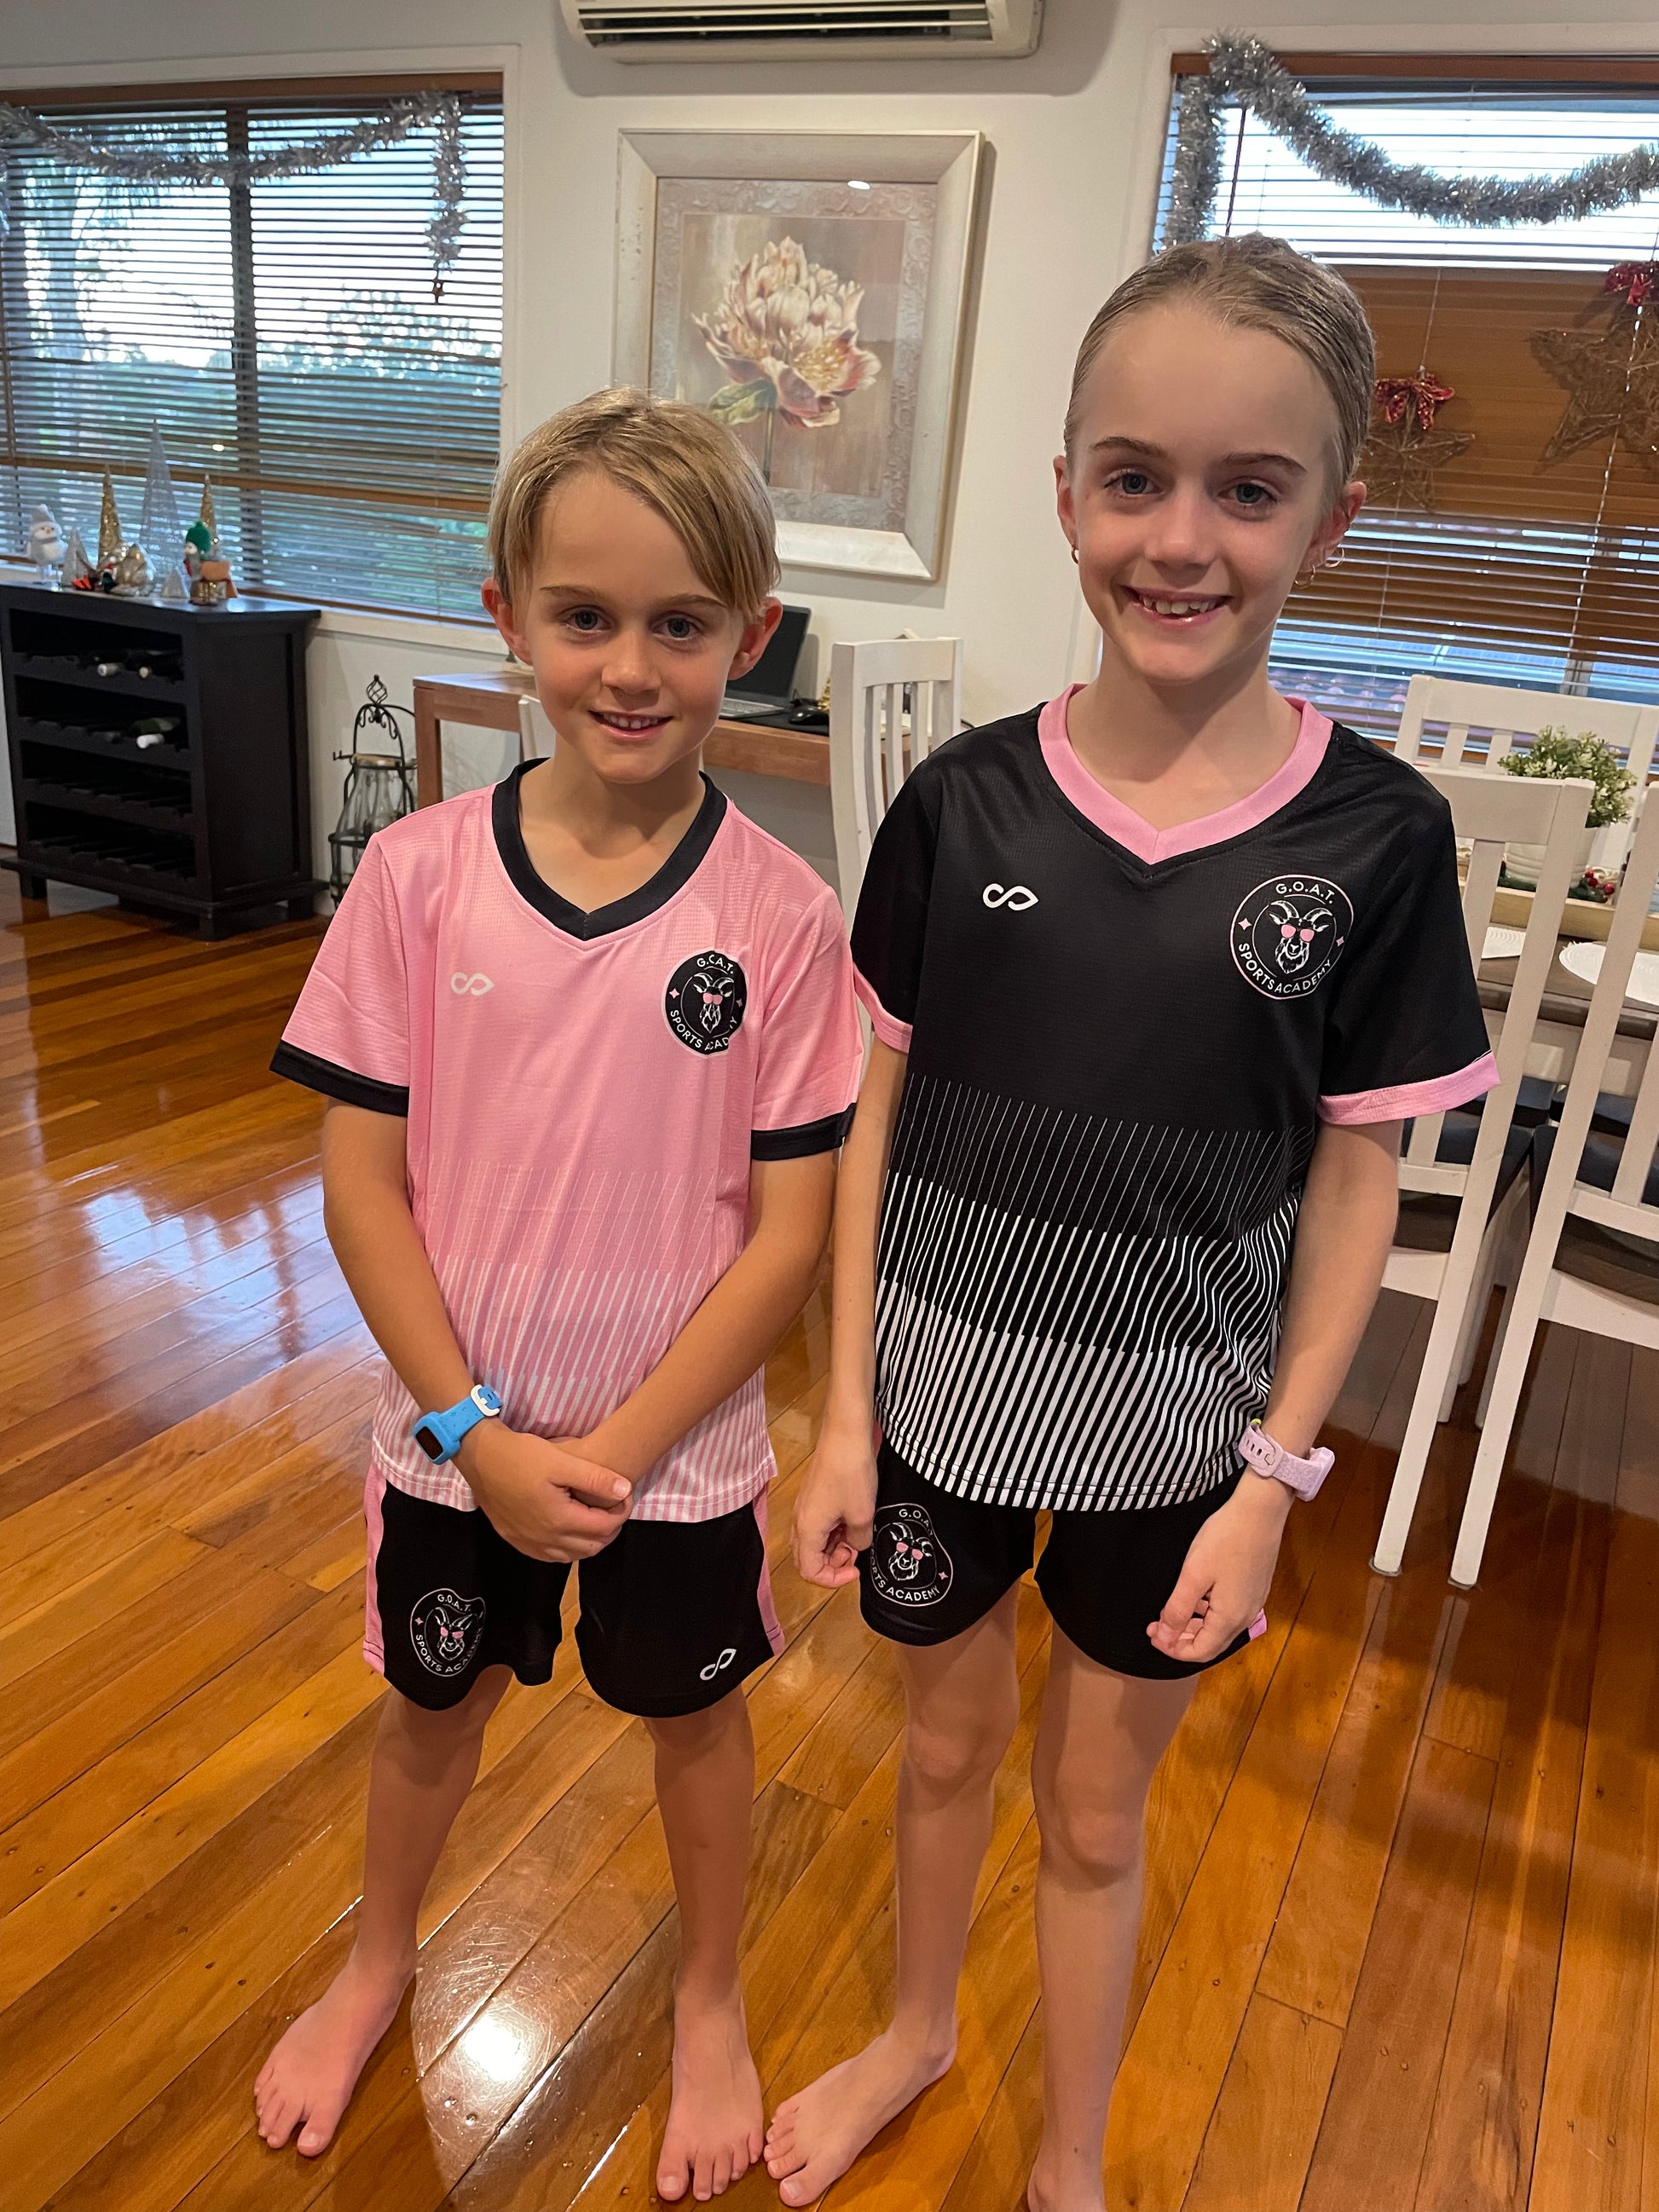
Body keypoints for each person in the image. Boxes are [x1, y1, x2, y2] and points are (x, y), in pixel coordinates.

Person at [766, 234, 1498, 2212]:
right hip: (935, 1416)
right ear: (1066, 491)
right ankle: (916, 2030)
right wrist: (841, 1413)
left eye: (1247, 489)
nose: (1181, 539)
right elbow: (871, 1104)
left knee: (1096, 1812)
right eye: (1134, 479)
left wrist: (1273, 1474)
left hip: (1180, 1448)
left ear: (1330, 517)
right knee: (939, 1754)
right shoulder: (961, 805)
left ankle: (1072, 2153)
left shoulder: (1378, 840)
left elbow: (1357, 1174)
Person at [253, 388, 863, 2203]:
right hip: (456, 1443)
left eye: (680, 623)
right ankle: (376, 1958)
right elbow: (361, 1188)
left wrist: (617, 1447)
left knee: (697, 1720)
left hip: (677, 1457)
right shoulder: (416, 877)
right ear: (506, 613)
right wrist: (479, 1433)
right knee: (428, 1711)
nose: (629, 666)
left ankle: (709, 1994)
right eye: (583, 616)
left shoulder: (783, 916)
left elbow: (788, 1236)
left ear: (749, 636)